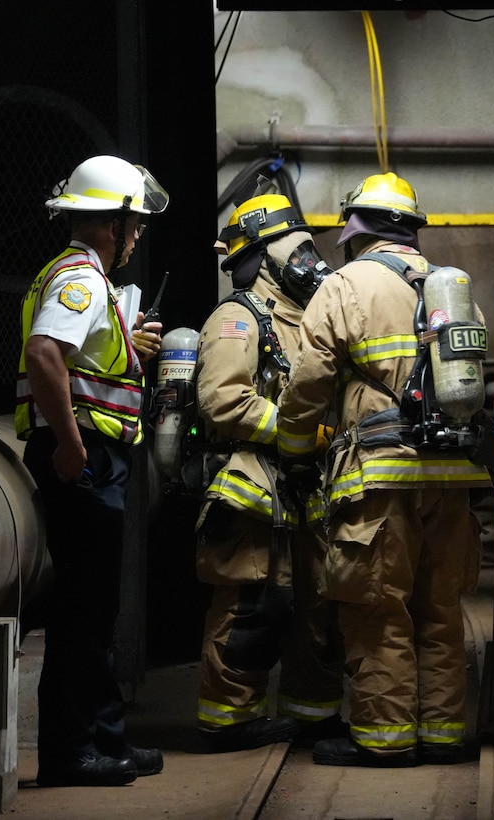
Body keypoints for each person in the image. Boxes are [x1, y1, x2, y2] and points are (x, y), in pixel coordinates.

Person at [275, 172, 493, 768]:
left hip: (378, 476)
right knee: (440, 607)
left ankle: (385, 737)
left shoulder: (345, 285)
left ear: (354, 231)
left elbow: (308, 385)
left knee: (377, 608)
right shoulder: (451, 290)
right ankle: (444, 734)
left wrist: (294, 451)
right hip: (449, 477)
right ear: (410, 230)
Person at [16, 154, 169, 787]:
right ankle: (69, 751)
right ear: (113, 224)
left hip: (97, 460)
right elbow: (47, 353)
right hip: (84, 462)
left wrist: (133, 345)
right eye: (133, 224)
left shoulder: (89, 281)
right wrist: (74, 448)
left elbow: (84, 362)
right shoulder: (79, 278)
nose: (136, 236)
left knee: (97, 608)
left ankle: (105, 739)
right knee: (82, 611)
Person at [192, 191, 346, 753]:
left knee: (317, 604)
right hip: (256, 487)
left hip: (309, 490)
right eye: (297, 252)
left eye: (311, 250)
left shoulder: (310, 319)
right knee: (252, 607)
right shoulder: (240, 317)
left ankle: (314, 714)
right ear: (260, 259)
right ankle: (227, 720)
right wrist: (301, 431)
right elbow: (225, 402)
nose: (311, 263)